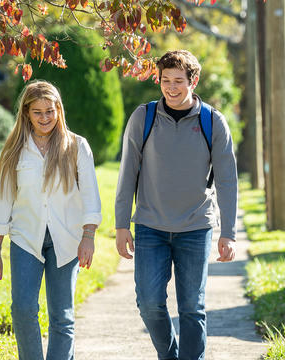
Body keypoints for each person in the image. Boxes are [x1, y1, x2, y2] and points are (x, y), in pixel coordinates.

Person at [115, 50, 237, 360]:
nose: (171, 88)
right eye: (165, 80)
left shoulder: (213, 121)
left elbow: (226, 180)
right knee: (148, 302)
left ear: (193, 81)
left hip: (196, 227)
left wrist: (229, 232)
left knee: (191, 308)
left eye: (179, 81)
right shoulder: (144, 117)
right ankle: (170, 355)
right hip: (150, 226)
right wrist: (120, 225)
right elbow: (127, 172)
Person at [0, 80, 102, 360]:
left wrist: (88, 237)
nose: (45, 118)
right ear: (26, 113)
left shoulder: (76, 146)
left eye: (50, 111)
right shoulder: (15, 150)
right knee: (23, 308)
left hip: (68, 240)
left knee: (61, 315)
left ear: (58, 110)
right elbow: (4, 200)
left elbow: (90, 196)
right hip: (26, 239)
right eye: (37, 112)